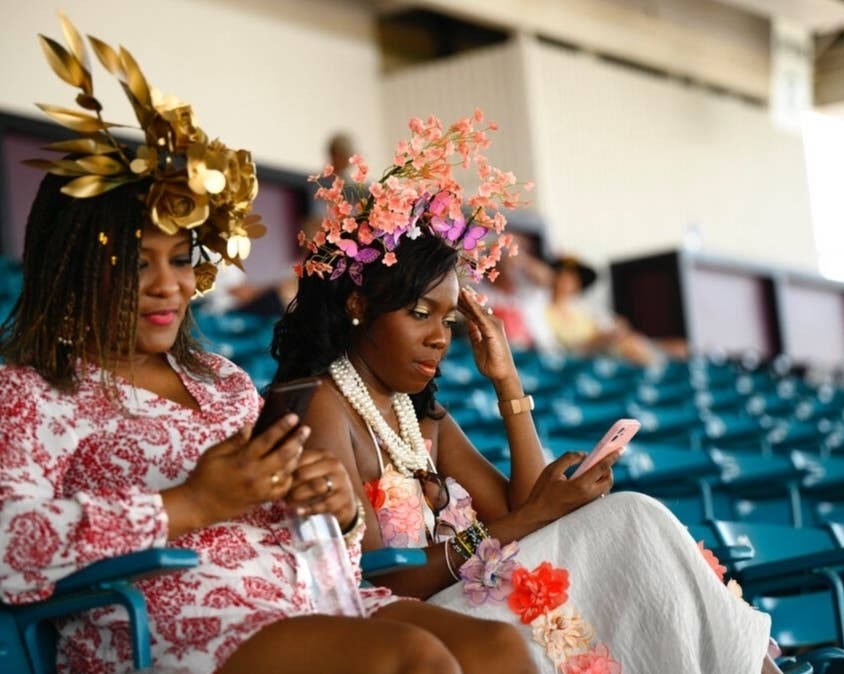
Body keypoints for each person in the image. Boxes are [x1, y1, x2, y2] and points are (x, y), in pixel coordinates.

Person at [0, 17, 537, 674]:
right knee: (409, 660)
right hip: (178, 628)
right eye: (139, 265)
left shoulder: (222, 380)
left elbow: (310, 532)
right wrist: (189, 504)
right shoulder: (28, 393)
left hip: (309, 599)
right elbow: (9, 548)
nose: (169, 287)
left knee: (498, 649)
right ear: (76, 267)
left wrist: (333, 508)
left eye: (180, 259)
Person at [270, 110, 783, 674]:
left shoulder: (421, 419)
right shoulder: (323, 403)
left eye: (449, 322)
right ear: (358, 307)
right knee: (633, 521)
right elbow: (375, 575)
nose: (439, 339)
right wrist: (524, 522)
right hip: (413, 621)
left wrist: (507, 381)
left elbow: (523, 506)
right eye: (420, 315)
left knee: (635, 520)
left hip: (474, 597)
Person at [544, 255, 664, 365]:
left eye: (573, 278)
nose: (567, 282)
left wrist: (615, 331)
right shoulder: (543, 310)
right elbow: (560, 350)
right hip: (582, 362)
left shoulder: (586, 308)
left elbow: (611, 328)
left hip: (606, 354)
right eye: (563, 275)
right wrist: (600, 340)